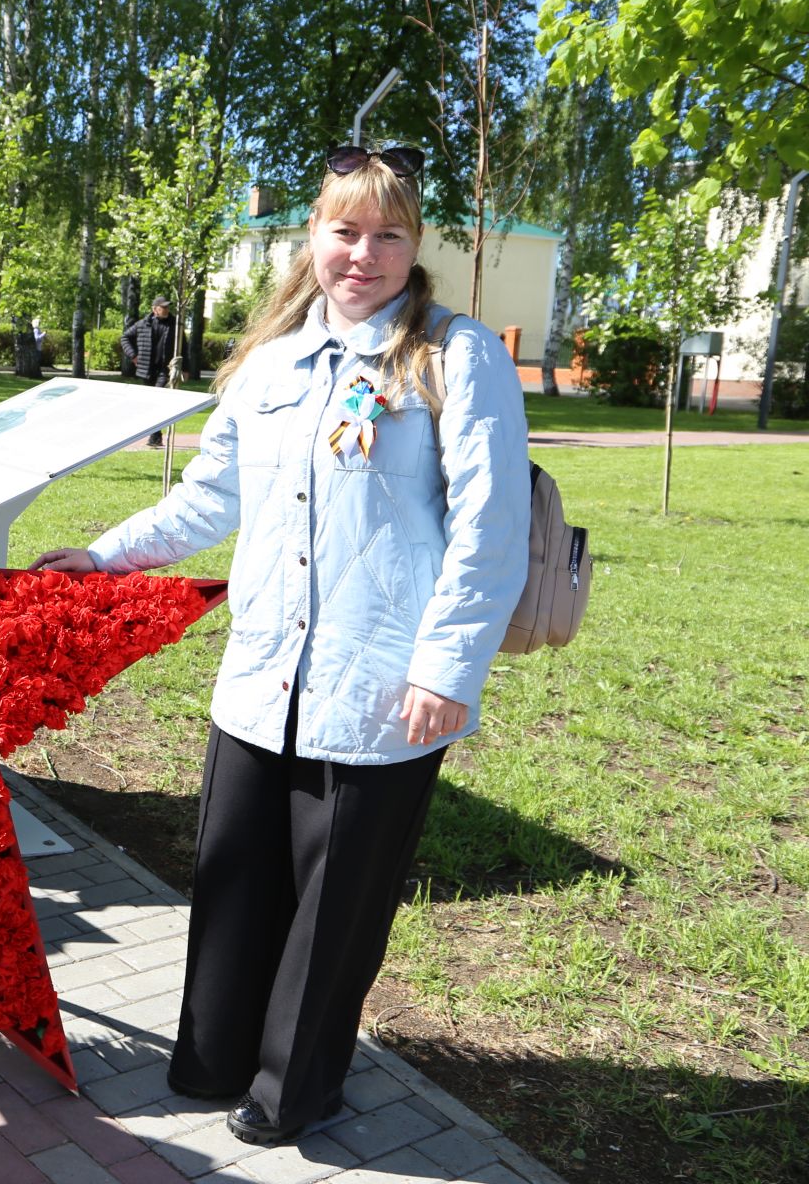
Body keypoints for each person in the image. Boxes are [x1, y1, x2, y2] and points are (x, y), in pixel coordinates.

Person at [33, 145, 529, 1148]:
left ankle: (292, 1087)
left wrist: (446, 668)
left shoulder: (452, 355)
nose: (365, 253)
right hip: (265, 673)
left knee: (334, 900)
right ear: (312, 237)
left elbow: (491, 525)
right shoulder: (272, 363)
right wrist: (104, 556)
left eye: (389, 234)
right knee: (234, 871)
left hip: (381, 682)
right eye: (346, 230)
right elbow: (209, 496)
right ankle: (214, 1054)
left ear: (414, 245)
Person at [122, 296, 178, 446]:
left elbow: (183, 345)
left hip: (165, 370)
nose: (166, 309)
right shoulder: (143, 324)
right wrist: (133, 355)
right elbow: (125, 337)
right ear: (155, 309)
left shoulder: (175, 325)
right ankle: (155, 435)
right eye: (163, 307)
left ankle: (155, 437)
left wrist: (185, 368)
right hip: (146, 370)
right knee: (149, 403)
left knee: (157, 399)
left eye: (167, 307)